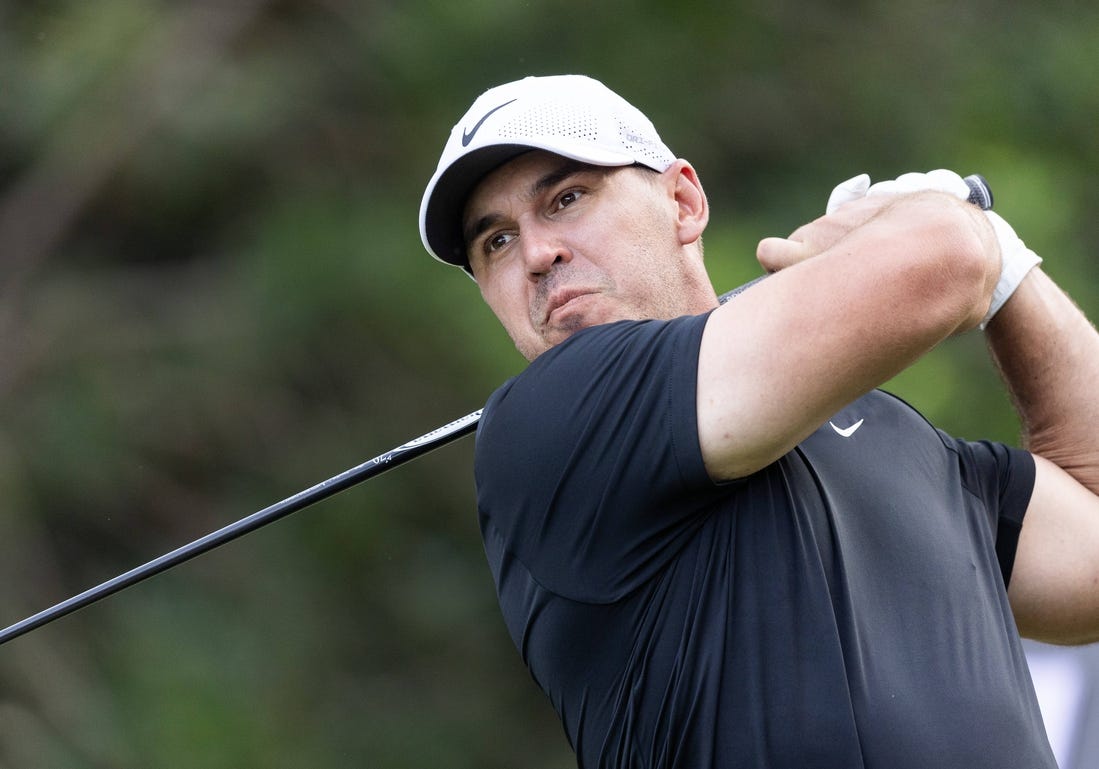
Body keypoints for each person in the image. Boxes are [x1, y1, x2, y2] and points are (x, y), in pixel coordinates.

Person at [418, 74, 1099, 768]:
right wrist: (946, 223)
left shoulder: (889, 431)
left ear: (682, 201)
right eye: (496, 243)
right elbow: (946, 260)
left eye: (566, 199)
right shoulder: (548, 425)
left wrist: (1012, 270)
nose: (536, 255)